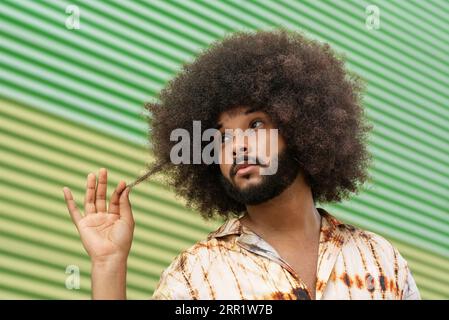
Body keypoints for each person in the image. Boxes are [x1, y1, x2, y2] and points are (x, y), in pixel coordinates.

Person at [62, 29, 420, 300]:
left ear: (302, 128)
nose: (238, 147)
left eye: (256, 125)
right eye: (222, 137)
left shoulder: (379, 259)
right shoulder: (196, 276)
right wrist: (109, 265)